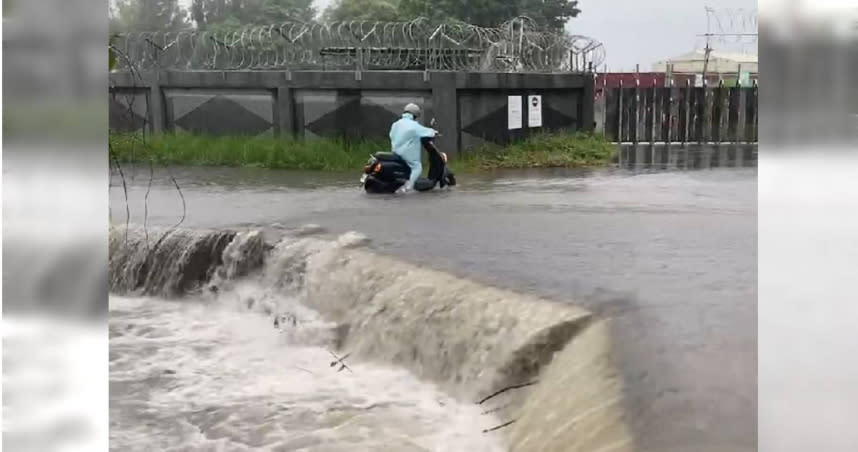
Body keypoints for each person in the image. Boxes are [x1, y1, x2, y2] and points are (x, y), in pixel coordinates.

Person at [389, 103, 437, 194]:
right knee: (417, 167)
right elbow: (425, 131)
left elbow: (391, 135)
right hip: (406, 153)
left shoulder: (395, 124)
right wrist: (434, 132)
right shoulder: (413, 125)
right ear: (415, 115)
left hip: (395, 151)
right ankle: (409, 187)